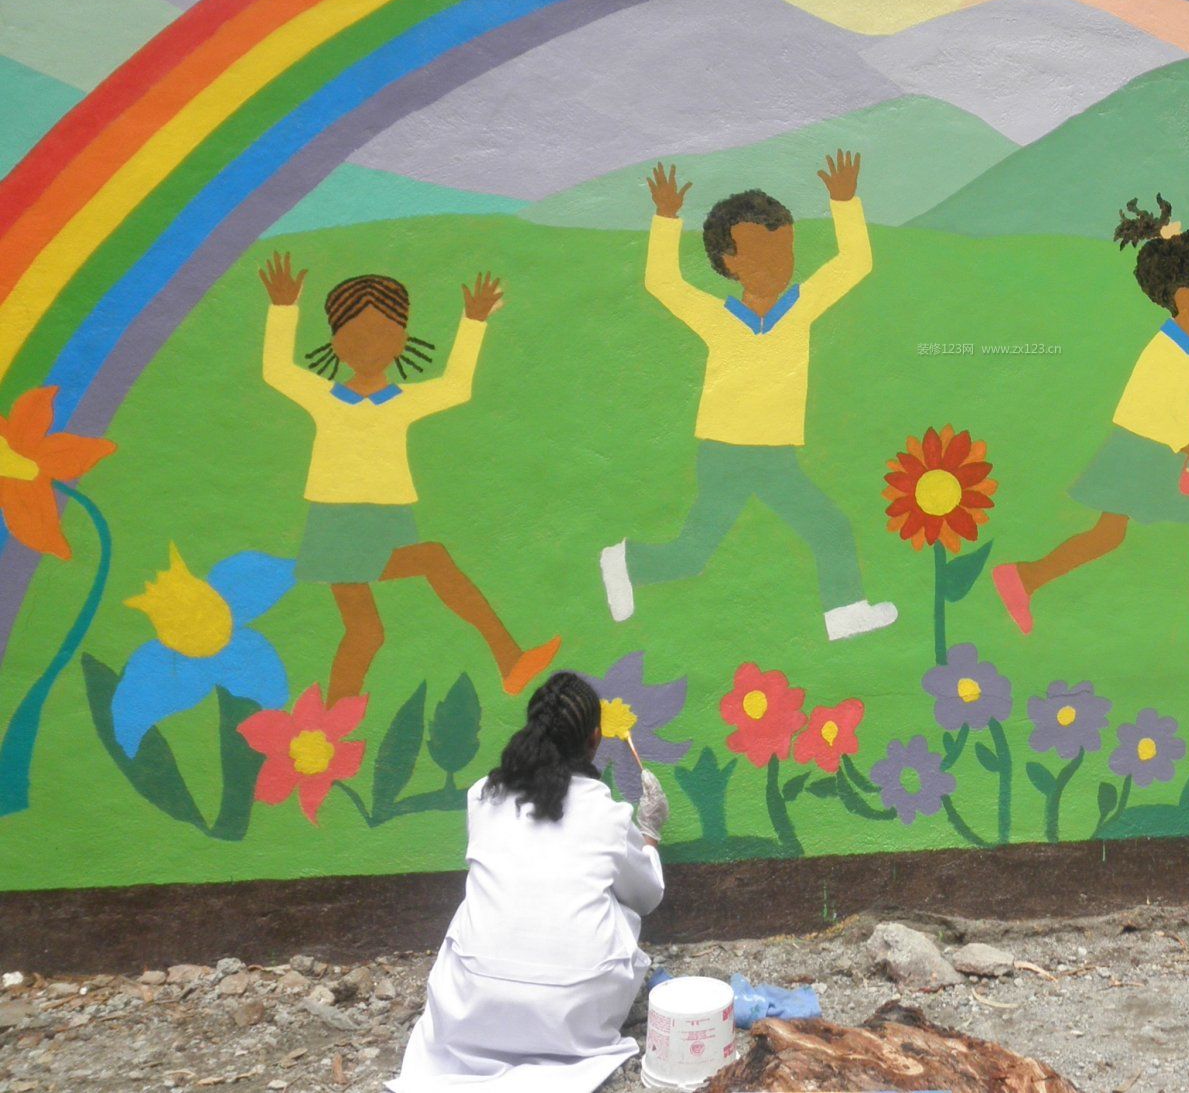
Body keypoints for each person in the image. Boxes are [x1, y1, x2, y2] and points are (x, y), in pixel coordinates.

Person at [992, 195, 1189, 657]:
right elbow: (1141, 405)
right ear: (1184, 296)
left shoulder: (1184, 347)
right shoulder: (1169, 350)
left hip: (1148, 451)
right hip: (1144, 452)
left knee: (1116, 533)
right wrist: (1184, 440)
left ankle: (1024, 578)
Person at [599, 150, 895, 642]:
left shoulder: (801, 307)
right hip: (725, 453)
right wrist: (666, 217)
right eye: (764, 255)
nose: (780, 266)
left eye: (786, 252)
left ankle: (845, 615)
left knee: (829, 529)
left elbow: (854, 263)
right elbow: (662, 282)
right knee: (695, 554)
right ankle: (626, 560)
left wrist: (845, 202)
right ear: (730, 262)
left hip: (774, 454)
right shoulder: (718, 318)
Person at [260, 254, 560, 702]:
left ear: (402, 339)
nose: (369, 344)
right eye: (354, 333)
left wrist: (474, 321)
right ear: (335, 340)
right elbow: (278, 371)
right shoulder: (325, 398)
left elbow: (456, 386)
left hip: (384, 520)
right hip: (338, 525)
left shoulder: (401, 401)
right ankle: (508, 658)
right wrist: (283, 309)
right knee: (429, 564)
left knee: (365, 633)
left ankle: (333, 722)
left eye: (384, 332)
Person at [391, 672, 670, 1093]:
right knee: (621, 905)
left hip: (474, 1012)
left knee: (476, 905)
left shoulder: (483, 795)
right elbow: (646, 897)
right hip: (574, 1017)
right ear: (594, 740)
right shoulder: (606, 813)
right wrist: (649, 833)